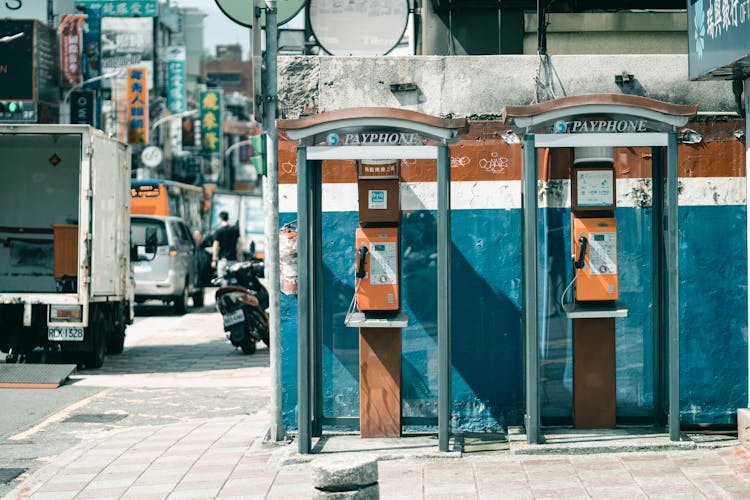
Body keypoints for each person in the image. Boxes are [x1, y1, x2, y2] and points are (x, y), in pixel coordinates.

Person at [211, 211, 242, 281]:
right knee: (233, 282)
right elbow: (240, 243)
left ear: (220, 219)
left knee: (223, 281)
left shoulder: (218, 231)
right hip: (233, 261)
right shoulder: (235, 230)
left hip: (223, 261)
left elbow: (215, 246)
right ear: (228, 218)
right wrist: (238, 256)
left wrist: (214, 260)